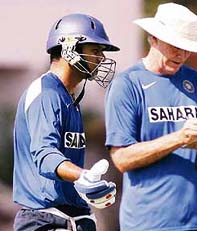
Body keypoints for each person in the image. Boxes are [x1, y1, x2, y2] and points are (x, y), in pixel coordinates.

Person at [105, 3, 197, 231]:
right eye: (175, 45)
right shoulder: (127, 84)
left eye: (188, 47)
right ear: (153, 38)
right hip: (147, 222)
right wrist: (179, 138)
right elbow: (121, 159)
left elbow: (192, 155)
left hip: (196, 220)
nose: (182, 54)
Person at [13, 13, 119, 231]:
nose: (101, 58)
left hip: (70, 219)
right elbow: (45, 156)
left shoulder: (69, 97)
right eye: (95, 50)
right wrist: (84, 176)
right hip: (45, 221)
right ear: (69, 48)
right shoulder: (47, 93)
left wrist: (88, 189)